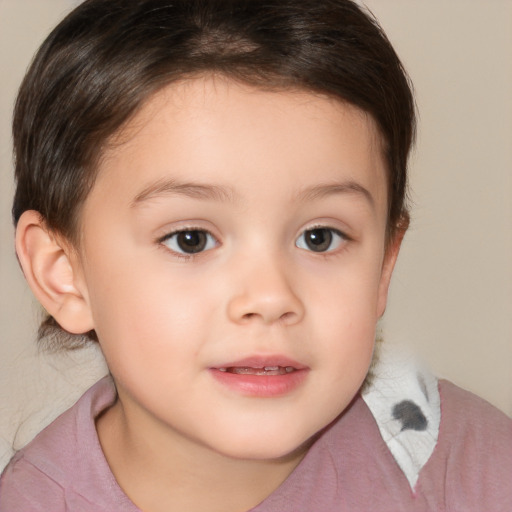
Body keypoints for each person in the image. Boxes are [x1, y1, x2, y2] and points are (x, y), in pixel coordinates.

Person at [1, 0, 510, 510]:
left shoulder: (471, 468)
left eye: (320, 237)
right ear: (63, 273)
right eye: (191, 239)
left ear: (383, 265)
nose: (270, 297)